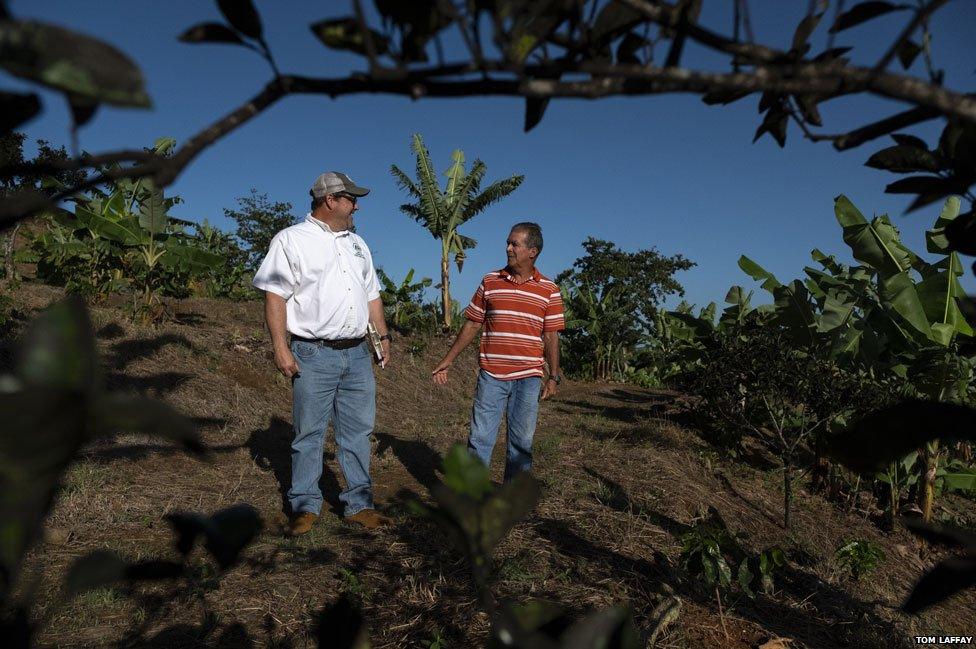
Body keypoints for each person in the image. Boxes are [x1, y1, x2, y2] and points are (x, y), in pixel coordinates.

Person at [253, 171, 392, 535]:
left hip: (358, 355)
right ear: (330, 200)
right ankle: (304, 506)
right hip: (313, 353)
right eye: (351, 198)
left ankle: (359, 504)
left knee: (358, 433)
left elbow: (371, 294)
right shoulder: (291, 240)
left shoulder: (356, 244)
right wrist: (280, 348)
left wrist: (383, 337)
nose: (356, 205)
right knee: (309, 434)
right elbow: (275, 295)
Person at [431, 222, 564, 481]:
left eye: (515, 244)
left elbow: (551, 335)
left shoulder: (549, 290)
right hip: (491, 374)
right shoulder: (491, 281)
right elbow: (472, 323)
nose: (508, 248)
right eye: (508, 242)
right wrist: (448, 360)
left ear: (532, 251)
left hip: (528, 377)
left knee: (521, 441)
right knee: (480, 437)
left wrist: (553, 375)